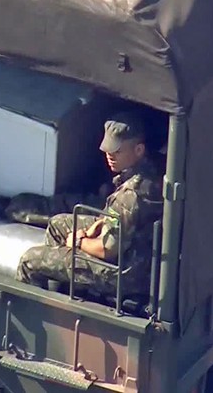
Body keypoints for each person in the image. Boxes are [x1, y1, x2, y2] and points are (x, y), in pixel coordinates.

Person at [16, 114, 163, 297]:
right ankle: (68, 289)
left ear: (139, 150)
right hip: (138, 255)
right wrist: (96, 226)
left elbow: (107, 250)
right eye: (108, 150)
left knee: (29, 261)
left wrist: (79, 242)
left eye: (117, 151)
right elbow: (119, 218)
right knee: (58, 223)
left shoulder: (130, 196)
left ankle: (46, 311)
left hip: (124, 273)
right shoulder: (153, 169)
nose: (109, 156)